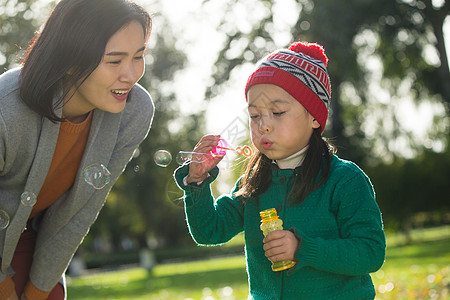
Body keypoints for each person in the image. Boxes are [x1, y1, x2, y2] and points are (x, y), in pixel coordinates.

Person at [174, 41, 386, 299]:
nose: (263, 125)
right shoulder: (252, 183)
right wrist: (197, 182)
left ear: (315, 116)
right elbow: (209, 231)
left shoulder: (345, 180)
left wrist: (302, 248)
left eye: (277, 112)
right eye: (254, 116)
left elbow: (370, 252)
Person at [0, 0, 154, 299]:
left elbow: (79, 213)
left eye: (139, 56)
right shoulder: (5, 109)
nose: (131, 74)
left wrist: (37, 292)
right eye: (114, 61)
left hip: (32, 234)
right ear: (70, 58)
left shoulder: (134, 111)